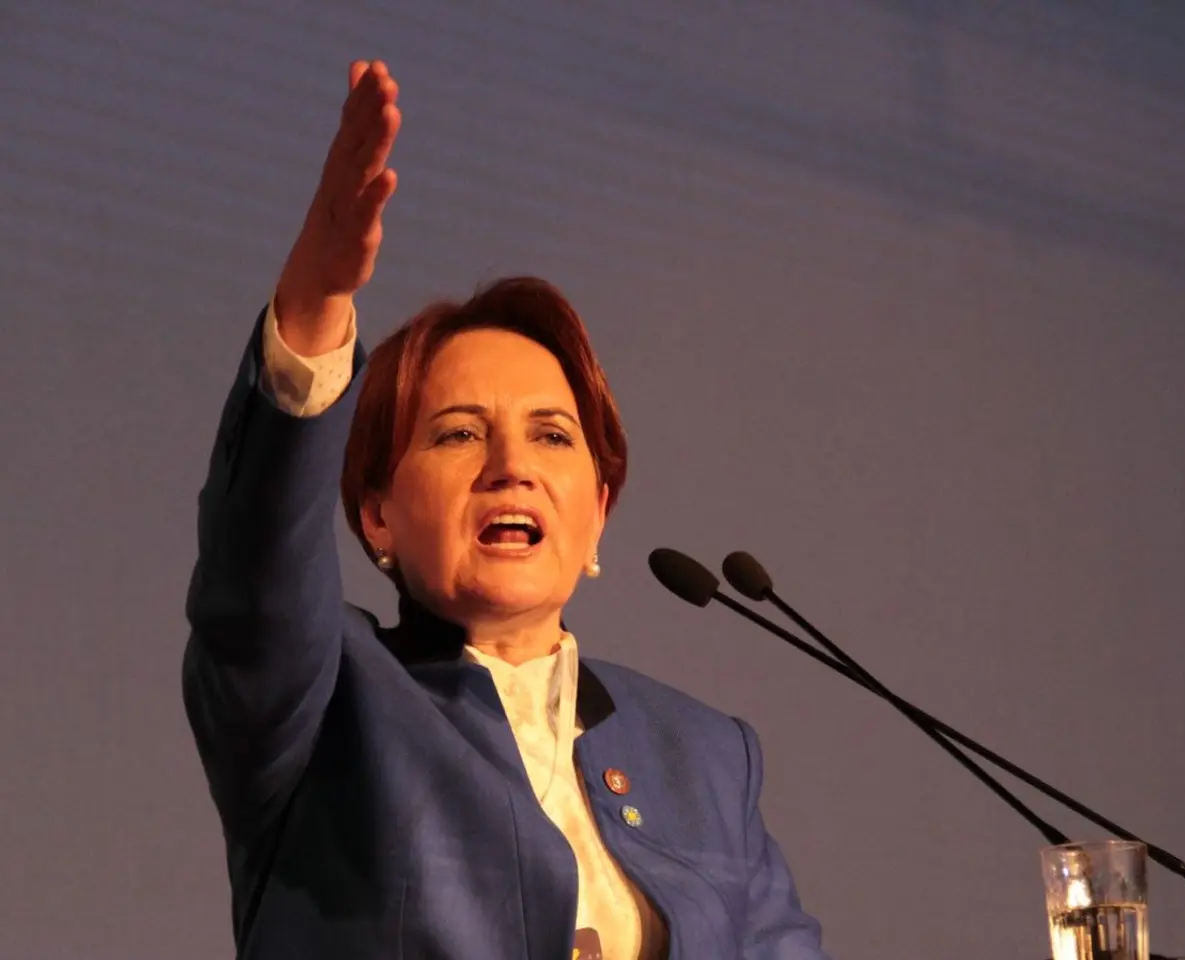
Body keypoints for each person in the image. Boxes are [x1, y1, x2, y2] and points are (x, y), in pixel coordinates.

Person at [183, 59, 829, 960]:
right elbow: (253, 578)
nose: (511, 468)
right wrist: (314, 308)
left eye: (553, 437)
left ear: (597, 513)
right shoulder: (323, 699)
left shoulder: (708, 756)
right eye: (456, 435)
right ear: (375, 514)